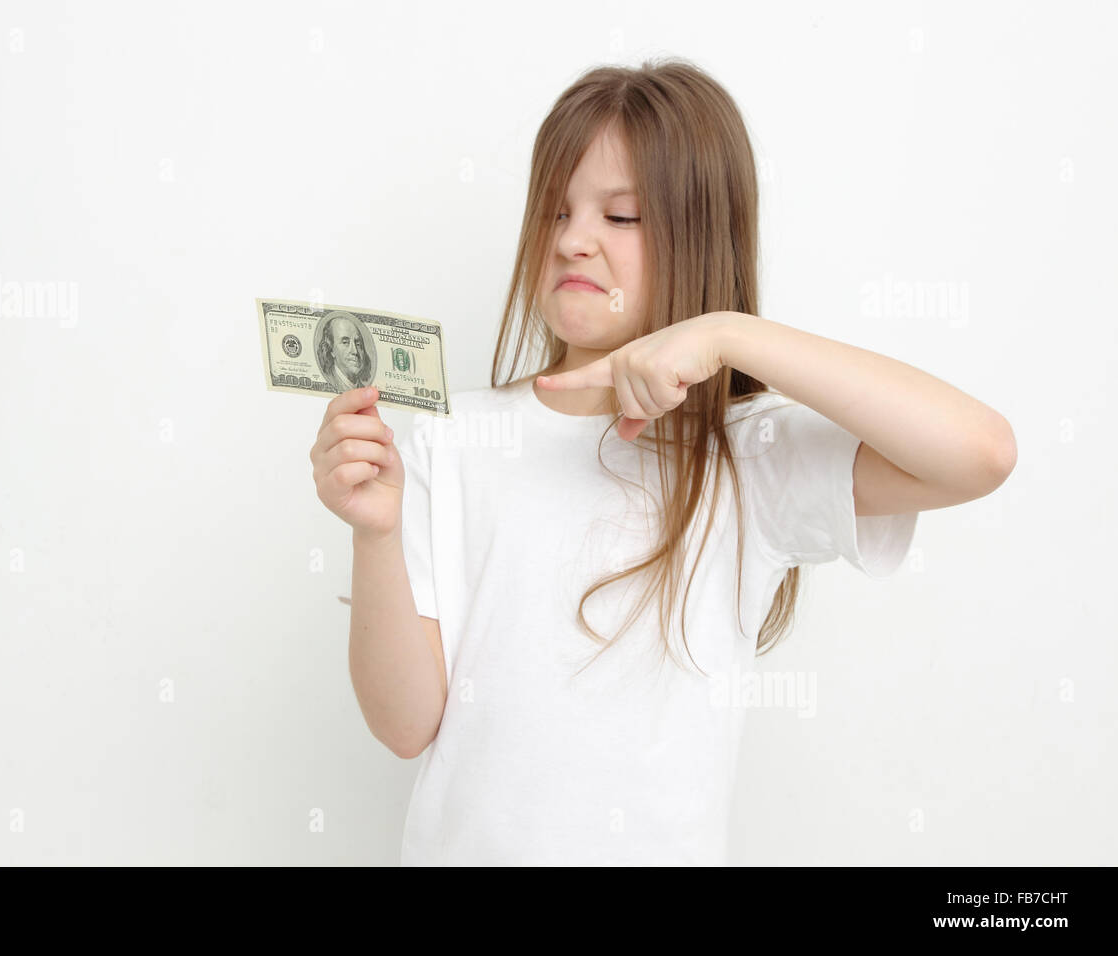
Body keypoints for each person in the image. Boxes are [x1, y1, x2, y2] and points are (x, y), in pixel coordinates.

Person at [308, 58, 1016, 866]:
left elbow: (981, 452)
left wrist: (730, 335)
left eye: (623, 216)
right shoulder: (450, 439)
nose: (573, 239)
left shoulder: (748, 455)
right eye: (556, 210)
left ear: (699, 237)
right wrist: (374, 534)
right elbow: (405, 727)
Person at [317, 313, 373, 392]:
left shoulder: (363, 389)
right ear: (331, 349)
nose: (355, 351)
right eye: (345, 342)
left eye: (358, 344)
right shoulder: (330, 383)